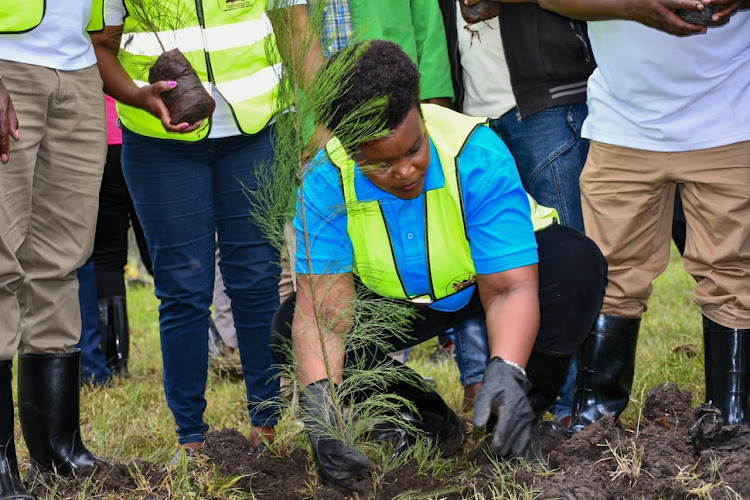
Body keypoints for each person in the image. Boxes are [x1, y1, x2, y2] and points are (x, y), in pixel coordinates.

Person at [271, 40, 607, 486]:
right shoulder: (325, 181)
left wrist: (507, 371)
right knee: (290, 321)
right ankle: (427, 420)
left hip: (488, 282)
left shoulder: (475, 154)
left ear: (421, 116)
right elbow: (324, 321)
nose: (406, 172)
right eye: (381, 164)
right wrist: (323, 423)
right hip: (397, 299)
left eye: (413, 150)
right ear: (351, 152)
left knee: (575, 264)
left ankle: (512, 416)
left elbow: (509, 289)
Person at [92, 0, 322, 453]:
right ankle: (192, 439)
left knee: (256, 280)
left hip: (258, 133)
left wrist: (321, 121)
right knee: (182, 287)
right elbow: (102, 46)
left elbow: (297, 30)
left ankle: (266, 425)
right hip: (159, 143)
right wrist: (139, 95)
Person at [536, 0, 750, 431]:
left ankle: (732, 418)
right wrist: (635, 7)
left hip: (729, 118)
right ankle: (595, 421)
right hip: (622, 121)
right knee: (609, 277)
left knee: (733, 277)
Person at [438, 0, 597, 422]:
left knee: (567, 259)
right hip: (472, 116)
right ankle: (508, 398)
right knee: (494, 263)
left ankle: (576, 407)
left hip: (545, 103)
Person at [0, 0, 108, 496]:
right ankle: (1, 464)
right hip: (7, 64)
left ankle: (57, 447)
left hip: (78, 67)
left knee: (60, 260)